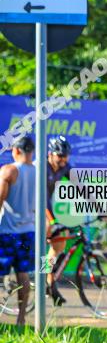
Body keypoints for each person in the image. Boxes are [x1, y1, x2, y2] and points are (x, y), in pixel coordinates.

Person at [0, 136, 36, 326]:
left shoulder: (9, 171)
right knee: (23, 273)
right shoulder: (39, 173)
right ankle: (21, 318)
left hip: (7, 232)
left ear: (15, 151)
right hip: (29, 232)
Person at [45, 135, 72, 305]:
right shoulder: (41, 167)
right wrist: (53, 220)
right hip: (33, 207)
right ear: (50, 154)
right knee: (48, 228)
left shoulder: (64, 167)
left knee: (60, 243)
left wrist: (97, 208)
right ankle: (44, 280)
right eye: (60, 156)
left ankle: (48, 281)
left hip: (46, 208)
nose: (63, 159)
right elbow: (41, 198)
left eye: (66, 155)